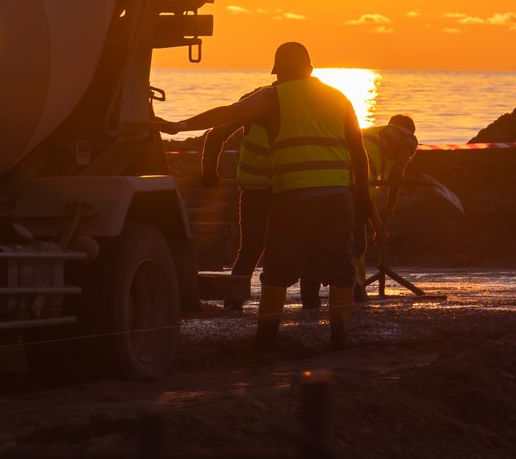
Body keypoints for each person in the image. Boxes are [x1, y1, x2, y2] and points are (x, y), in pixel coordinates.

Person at [163, 42, 374, 350]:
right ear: (310, 68)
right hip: (337, 196)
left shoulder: (274, 96)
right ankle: (339, 337)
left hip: (296, 194)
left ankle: (265, 339)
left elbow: (227, 114)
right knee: (340, 267)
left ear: (282, 70)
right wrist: (363, 196)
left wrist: (181, 125)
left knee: (276, 266)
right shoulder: (339, 97)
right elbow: (358, 150)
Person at [197, 91, 274, 311]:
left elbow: (215, 135)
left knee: (252, 248)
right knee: (257, 248)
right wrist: (209, 171)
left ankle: (236, 302)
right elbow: (216, 134)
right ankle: (238, 301)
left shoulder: (256, 102)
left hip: (266, 188)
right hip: (270, 188)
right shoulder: (260, 104)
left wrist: (209, 172)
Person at [348, 115, 418, 294]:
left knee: (336, 235)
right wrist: (389, 208)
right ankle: (355, 292)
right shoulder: (408, 137)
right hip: (359, 176)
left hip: (335, 173)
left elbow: (366, 199)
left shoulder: (373, 131)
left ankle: (315, 298)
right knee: (357, 238)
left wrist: (379, 226)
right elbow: (396, 173)